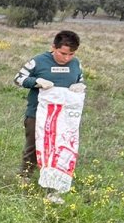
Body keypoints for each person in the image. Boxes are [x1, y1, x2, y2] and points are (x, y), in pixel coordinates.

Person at [13, 30, 85, 183]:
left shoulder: (76, 63)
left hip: (64, 116)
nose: (67, 58)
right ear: (54, 47)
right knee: (33, 145)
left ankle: (55, 180)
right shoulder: (38, 61)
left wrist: (80, 86)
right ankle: (25, 177)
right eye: (63, 53)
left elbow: (81, 80)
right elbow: (18, 79)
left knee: (61, 147)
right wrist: (36, 82)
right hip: (37, 113)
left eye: (71, 54)